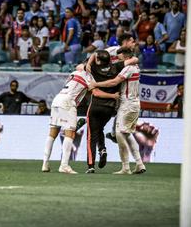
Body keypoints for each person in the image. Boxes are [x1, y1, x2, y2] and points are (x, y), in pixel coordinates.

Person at [41, 57, 120, 174]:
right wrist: (113, 96)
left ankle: (45, 164)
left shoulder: (74, 72)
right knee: (70, 133)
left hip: (57, 99)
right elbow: (96, 92)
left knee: (52, 133)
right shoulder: (88, 76)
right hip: (68, 102)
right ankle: (64, 165)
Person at [84, 36, 138, 174]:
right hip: (109, 108)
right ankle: (102, 149)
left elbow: (95, 92)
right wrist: (113, 96)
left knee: (91, 135)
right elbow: (133, 60)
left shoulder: (94, 69)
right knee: (100, 129)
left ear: (97, 60)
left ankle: (90, 165)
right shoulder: (117, 67)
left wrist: (88, 64)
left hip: (96, 105)